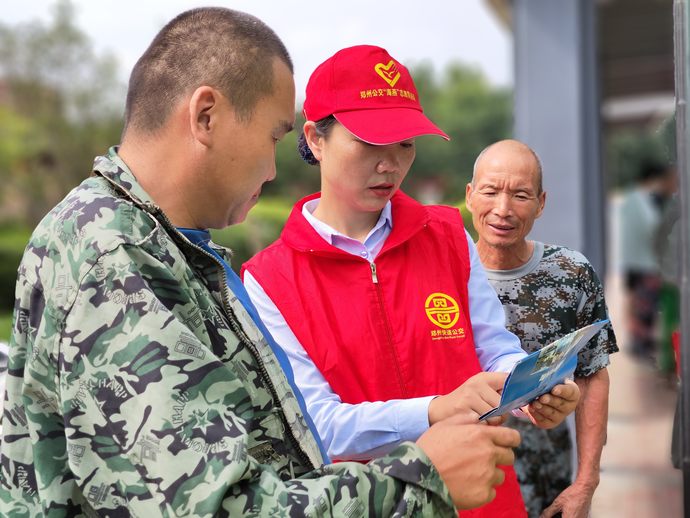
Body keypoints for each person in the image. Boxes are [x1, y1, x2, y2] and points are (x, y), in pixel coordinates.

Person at [0, 9, 524, 516]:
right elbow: (217, 506)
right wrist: (419, 477)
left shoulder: (160, 247)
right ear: (206, 116)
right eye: (274, 136)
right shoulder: (114, 257)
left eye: (403, 143)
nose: (274, 168)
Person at [243, 45, 580, 517]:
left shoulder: (446, 234)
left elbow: (493, 347)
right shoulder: (268, 281)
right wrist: (435, 409)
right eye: (370, 142)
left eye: (404, 143)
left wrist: (532, 388)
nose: (391, 164)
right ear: (316, 139)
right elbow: (318, 425)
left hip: (483, 500)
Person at [465, 139, 619, 517]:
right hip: (465, 486)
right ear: (469, 195)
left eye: (520, 195)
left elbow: (592, 375)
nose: (503, 209)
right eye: (490, 191)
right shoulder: (442, 275)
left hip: (545, 486)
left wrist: (585, 483)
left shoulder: (570, 272)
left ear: (541, 203)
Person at [617, 160, 678, 362]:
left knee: (639, 304)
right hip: (644, 264)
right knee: (644, 307)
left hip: (634, 262)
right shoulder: (640, 199)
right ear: (654, 179)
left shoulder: (632, 197)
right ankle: (640, 346)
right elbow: (651, 228)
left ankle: (639, 343)